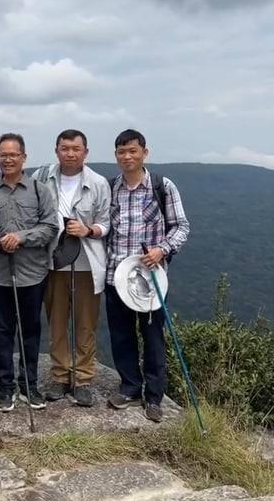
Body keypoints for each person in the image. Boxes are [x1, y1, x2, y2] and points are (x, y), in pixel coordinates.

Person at [106, 129, 190, 422]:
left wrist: (161, 250)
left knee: (153, 338)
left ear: (144, 152)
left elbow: (181, 226)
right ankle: (130, 387)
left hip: (152, 279)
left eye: (133, 150)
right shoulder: (111, 188)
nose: (127, 156)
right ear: (116, 155)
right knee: (121, 336)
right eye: (121, 152)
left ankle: (154, 397)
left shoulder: (161, 186)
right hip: (116, 276)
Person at [32, 129, 111, 407]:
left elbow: (106, 223)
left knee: (85, 323)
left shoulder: (98, 183)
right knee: (56, 322)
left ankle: (83, 378)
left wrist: (88, 230)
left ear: (85, 152)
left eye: (76, 149)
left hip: (87, 263)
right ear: (56, 150)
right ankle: (60, 375)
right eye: (65, 148)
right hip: (52, 262)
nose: (70, 154)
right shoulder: (42, 178)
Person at [0, 134, 58, 412]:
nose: (8, 159)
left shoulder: (39, 190)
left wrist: (21, 238)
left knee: (30, 331)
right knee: (2, 331)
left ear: (24, 157)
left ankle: (29, 384)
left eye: (13, 155)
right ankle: (5, 387)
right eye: (3, 155)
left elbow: (50, 227)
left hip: (33, 274)